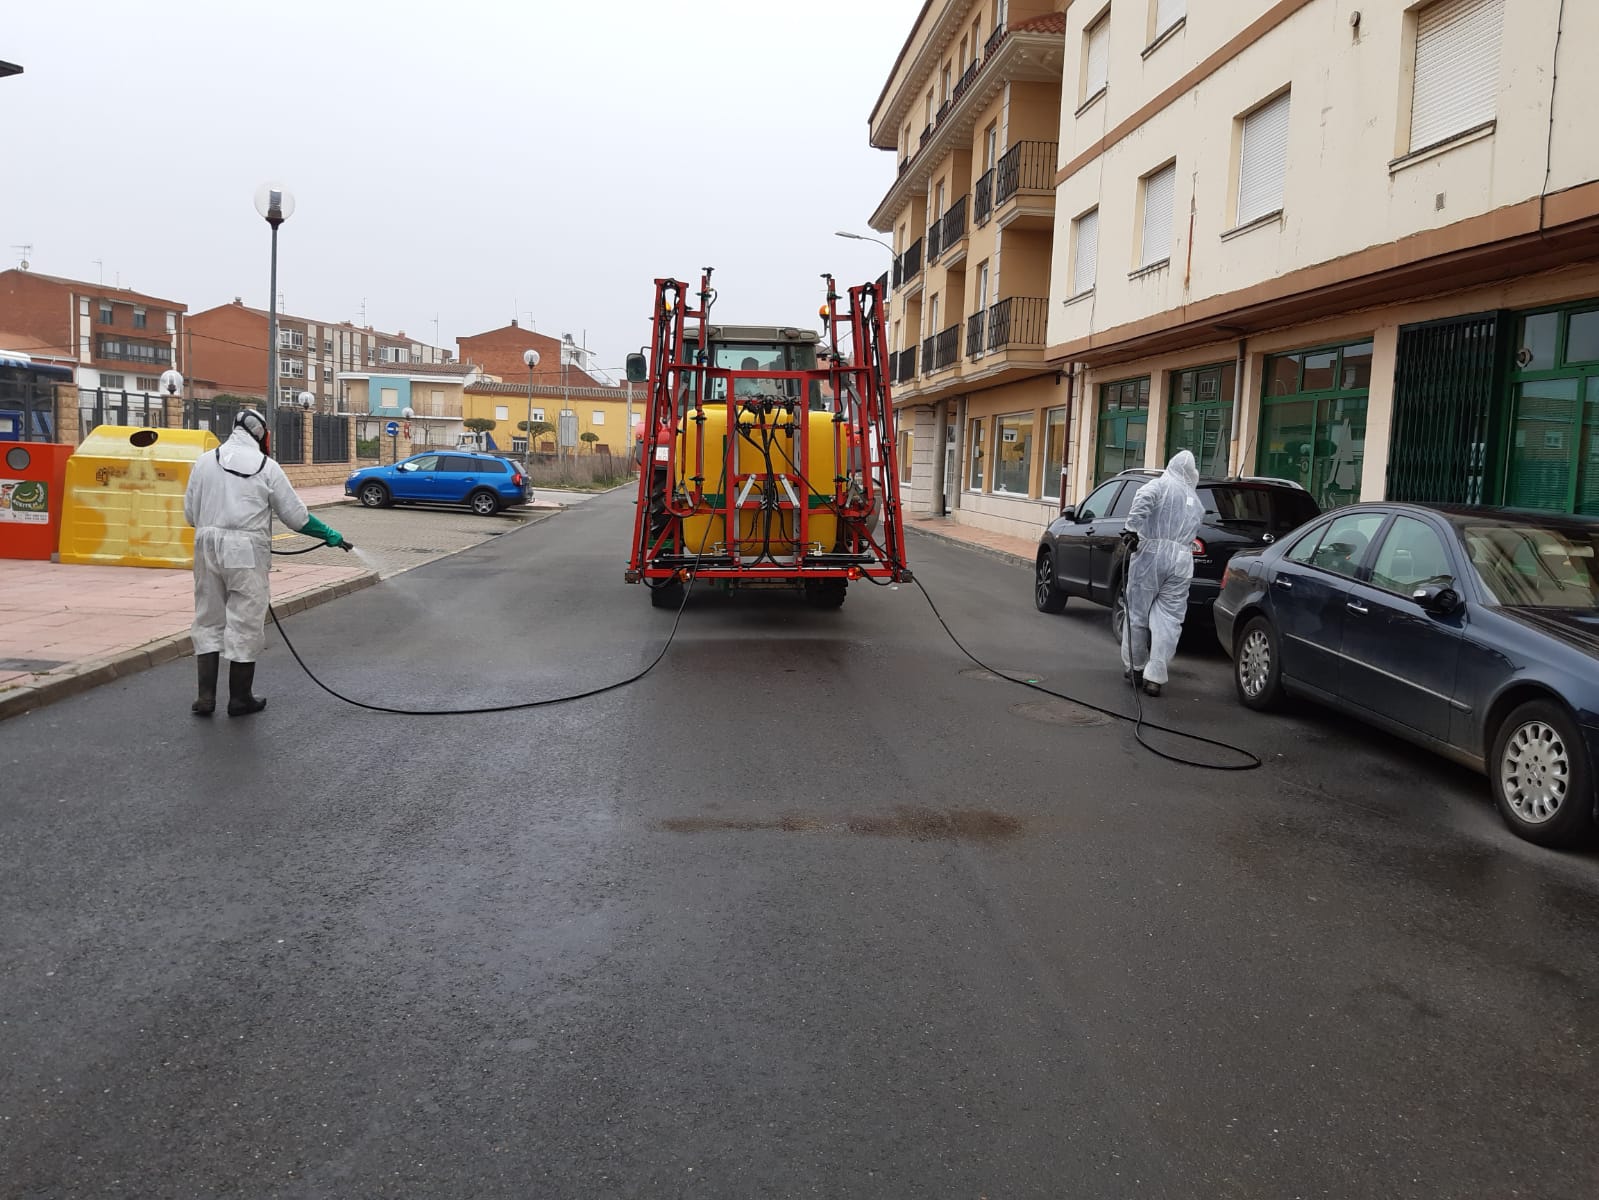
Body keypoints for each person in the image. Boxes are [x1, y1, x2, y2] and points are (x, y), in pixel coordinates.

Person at [183, 409, 346, 717]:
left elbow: (189, 514)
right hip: (245, 549)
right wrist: (328, 534)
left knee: (207, 617)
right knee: (245, 619)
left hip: (205, 544)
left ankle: (205, 698)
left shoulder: (203, 462)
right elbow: (296, 517)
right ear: (261, 434)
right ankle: (240, 698)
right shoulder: (266, 467)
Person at [1119, 449, 1203, 698]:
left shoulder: (1161, 485)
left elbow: (1143, 498)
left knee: (1137, 613)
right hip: (1182, 561)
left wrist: (1131, 529)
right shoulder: (1196, 502)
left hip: (1151, 555)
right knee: (1169, 619)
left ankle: (1135, 667)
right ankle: (1155, 677)